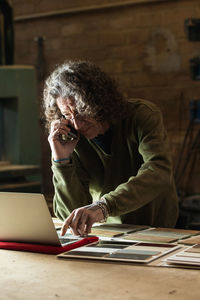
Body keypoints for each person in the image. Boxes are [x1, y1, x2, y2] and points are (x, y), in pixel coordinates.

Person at [42, 60, 178, 237]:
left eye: (81, 111)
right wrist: (61, 160)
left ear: (99, 102)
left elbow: (158, 171)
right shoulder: (73, 138)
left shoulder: (142, 116)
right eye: (67, 115)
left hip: (157, 227)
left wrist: (105, 206)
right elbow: (69, 214)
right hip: (109, 231)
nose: (76, 123)